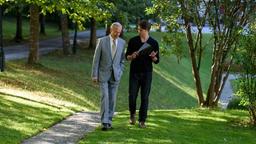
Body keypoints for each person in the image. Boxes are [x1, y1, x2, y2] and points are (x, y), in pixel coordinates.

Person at [91, 22, 126, 131]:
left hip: (115, 75)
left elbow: (122, 60)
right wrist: (94, 75)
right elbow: (96, 60)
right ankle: (104, 122)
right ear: (111, 30)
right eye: (116, 31)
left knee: (112, 99)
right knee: (105, 97)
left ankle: (109, 121)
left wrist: (120, 71)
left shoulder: (122, 42)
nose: (117, 34)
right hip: (103, 75)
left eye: (119, 32)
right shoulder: (101, 41)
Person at [125, 20, 160, 128]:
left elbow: (157, 60)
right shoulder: (133, 41)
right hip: (134, 73)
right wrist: (132, 56)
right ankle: (132, 115)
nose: (138, 31)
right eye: (138, 29)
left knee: (145, 97)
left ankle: (142, 120)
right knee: (132, 95)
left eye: (141, 30)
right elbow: (127, 56)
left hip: (147, 73)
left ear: (147, 30)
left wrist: (154, 57)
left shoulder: (154, 43)